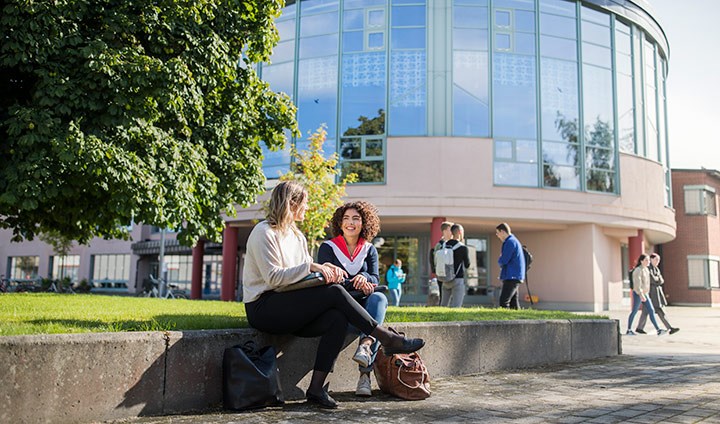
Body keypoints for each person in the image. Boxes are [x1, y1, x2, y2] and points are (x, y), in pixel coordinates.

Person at [242, 181, 425, 409]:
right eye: (305, 204)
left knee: (337, 318)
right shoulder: (264, 232)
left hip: (291, 306)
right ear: (292, 203)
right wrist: (313, 267)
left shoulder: (297, 236)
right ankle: (386, 338)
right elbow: (274, 279)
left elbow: (298, 279)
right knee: (335, 293)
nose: (307, 208)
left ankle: (316, 388)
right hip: (264, 308)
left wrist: (324, 275)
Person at [317, 201, 387, 397]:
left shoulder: (369, 249)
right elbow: (326, 278)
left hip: (364, 303)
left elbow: (375, 278)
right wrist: (353, 281)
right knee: (372, 319)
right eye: (346, 218)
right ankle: (365, 374)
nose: (350, 223)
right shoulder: (328, 248)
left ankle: (365, 355)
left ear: (364, 223)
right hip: (338, 308)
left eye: (356, 218)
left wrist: (365, 278)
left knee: (379, 299)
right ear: (340, 223)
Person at [635, 253, 679, 334]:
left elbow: (661, 280)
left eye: (658, 260)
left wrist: (657, 279)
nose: (658, 261)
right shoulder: (648, 268)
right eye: (656, 259)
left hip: (656, 293)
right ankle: (669, 328)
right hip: (651, 293)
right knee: (658, 310)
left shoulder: (656, 269)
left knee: (646, 311)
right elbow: (652, 279)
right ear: (651, 259)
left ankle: (639, 328)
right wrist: (657, 279)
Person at [626, 254, 667, 336]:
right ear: (641, 261)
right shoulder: (637, 270)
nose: (648, 262)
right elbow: (637, 285)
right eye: (646, 260)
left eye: (648, 260)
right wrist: (641, 295)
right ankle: (629, 330)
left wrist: (645, 294)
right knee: (634, 311)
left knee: (651, 310)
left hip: (645, 294)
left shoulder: (646, 270)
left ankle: (658, 330)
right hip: (638, 294)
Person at [495, 223, 525, 309]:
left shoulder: (509, 242)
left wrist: (500, 260)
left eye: (497, 233)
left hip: (511, 275)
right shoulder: (514, 240)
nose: (497, 235)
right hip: (515, 275)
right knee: (513, 303)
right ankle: (518, 321)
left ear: (503, 231)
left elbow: (504, 259)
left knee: (504, 301)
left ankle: (504, 321)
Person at [440, 224, 470, 308]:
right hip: (457, 279)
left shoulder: (444, 245)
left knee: (443, 305)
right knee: (456, 306)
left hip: (445, 279)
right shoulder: (463, 247)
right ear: (460, 232)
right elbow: (467, 265)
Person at [430, 221, 454, 304]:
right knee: (443, 295)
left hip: (452, 273)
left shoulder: (454, 243)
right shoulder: (439, 245)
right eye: (450, 229)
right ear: (444, 231)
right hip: (442, 273)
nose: (452, 232)